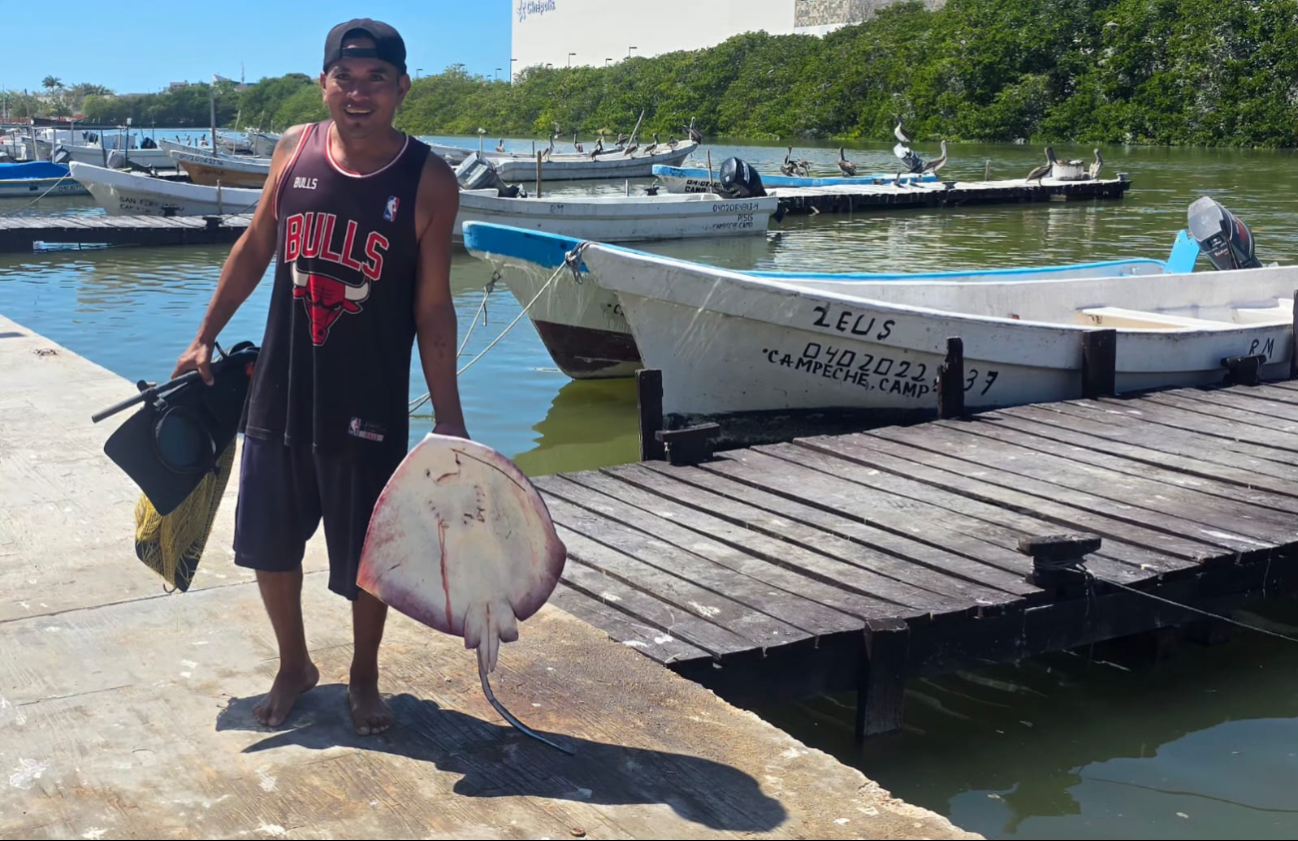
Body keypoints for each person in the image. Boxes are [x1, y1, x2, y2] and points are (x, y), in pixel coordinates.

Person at [171, 18, 467, 736]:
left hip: (367, 398)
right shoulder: (293, 149)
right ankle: (295, 663)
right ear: (324, 82)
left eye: (375, 80)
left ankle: (364, 674)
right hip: (279, 386)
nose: (358, 93)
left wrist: (451, 419)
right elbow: (253, 248)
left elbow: (433, 308)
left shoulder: (427, 179)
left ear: (402, 88)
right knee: (269, 541)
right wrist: (203, 335)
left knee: (369, 556)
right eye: (345, 77)